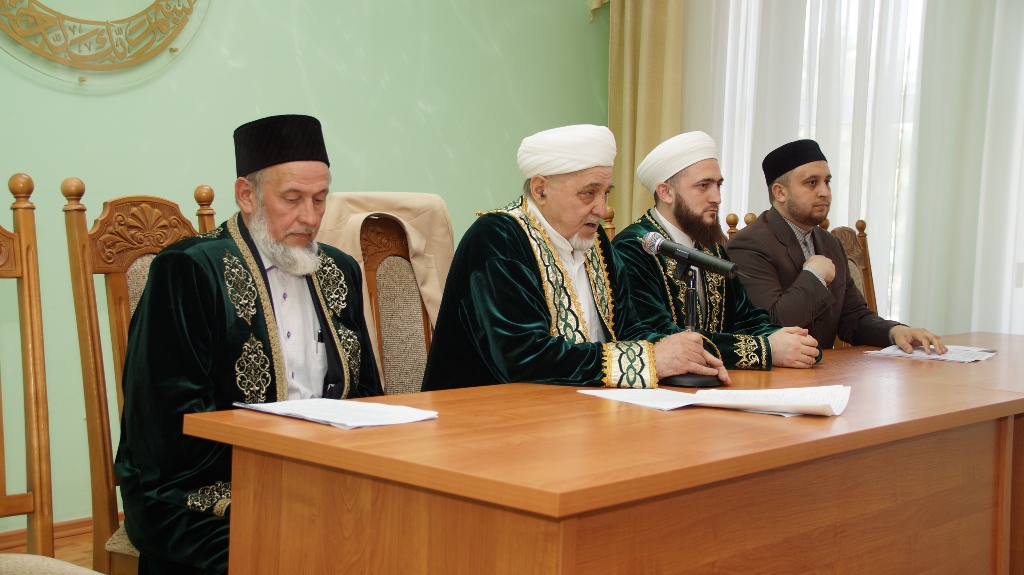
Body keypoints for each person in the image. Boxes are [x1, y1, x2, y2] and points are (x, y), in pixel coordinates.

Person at [114, 114, 382, 574]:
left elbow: (367, 396)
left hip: (321, 475)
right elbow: (167, 431)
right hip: (196, 492)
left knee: (407, 528)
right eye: (292, 199)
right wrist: (285, 466)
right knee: (308, 552)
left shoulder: (338, 270)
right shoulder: (190, 270)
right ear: (247, 195)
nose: (310, 217)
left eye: (320, 199)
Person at [421, 124, 730, 391]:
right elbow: (521, 358)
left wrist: (681, 351)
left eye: (606, 193)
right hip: (485, 418)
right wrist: (648, 360)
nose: (602, 209)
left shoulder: (595, 241)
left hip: (582, 412)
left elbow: (631, 329)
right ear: (541, 190)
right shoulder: (498, 237)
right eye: (588, 193)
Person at [612, 131, 819, 369]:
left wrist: (789, 341)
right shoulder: (634, 248)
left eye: (718, 185)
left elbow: (746, 319)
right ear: (666, 192)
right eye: (704, 186)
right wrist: (767, 349)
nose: (717, 198)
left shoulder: (710, 248)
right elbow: (660, 337)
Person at [726, 139, 945, 353]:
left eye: (827, 182)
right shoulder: (748, 246)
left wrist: (894, 331)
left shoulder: (830, 243)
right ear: (780, 192)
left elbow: (853, 318)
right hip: (776, 374)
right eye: (812, 182)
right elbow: (770, 327)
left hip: (825, 371)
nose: (825, 192)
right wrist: (814, 276)